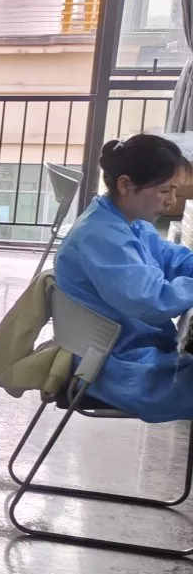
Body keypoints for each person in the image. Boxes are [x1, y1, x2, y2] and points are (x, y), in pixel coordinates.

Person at [52, 133, 193, 422]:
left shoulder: (126, 221)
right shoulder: (101, 235)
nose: (172, 201)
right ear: (125, 184)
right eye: (165, 191)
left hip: (133, 351)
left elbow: (170, 258)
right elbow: (152, 302)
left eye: (174, 191)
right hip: (118, 367)